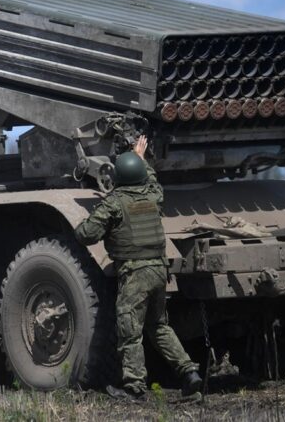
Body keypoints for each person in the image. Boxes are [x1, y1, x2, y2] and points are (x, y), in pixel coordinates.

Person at [74, 135, 202, 401]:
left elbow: (87, 234)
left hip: (134, 274)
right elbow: (152, 181)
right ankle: (190, 374)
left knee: (129, 332)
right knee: (158, 327)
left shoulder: (114, 203)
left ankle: (133, 387)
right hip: (158, 270)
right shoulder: (153, 196)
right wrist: (142, 158)